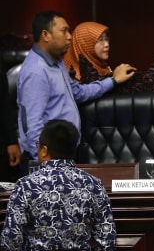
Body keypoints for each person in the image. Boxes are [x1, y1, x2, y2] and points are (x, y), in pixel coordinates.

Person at [17, 10, 135, 175]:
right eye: (64, 31)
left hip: (62, 156)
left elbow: (78, 92)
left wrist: (113, 81)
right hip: (48, 164)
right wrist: (45, 166)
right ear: (46, 35)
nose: (69, 36)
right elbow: (32, 125)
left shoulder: (56, 62)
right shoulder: (36, 71)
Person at [0, 119, 116, 251]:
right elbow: (107, 237)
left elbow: (11, 238)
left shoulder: (25, 185)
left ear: (44, 150)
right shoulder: (93, 184)